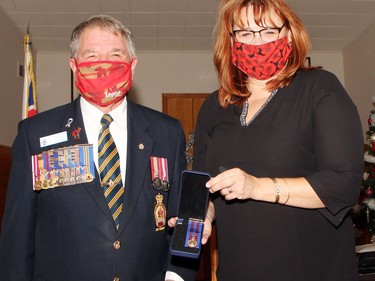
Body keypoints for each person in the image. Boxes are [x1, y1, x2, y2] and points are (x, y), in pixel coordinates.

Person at [0, 15, 197, 281]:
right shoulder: (35, 134)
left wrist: (177, 276)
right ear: (74, 65)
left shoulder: (167, 132)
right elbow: (17, 235)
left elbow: (181, 219)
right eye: (91, 56)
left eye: (115, 55)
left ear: (132, 65)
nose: (103, 66)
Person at [192, 0, 364, 280]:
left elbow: (344, 183)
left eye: (269, 31)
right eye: (245, 33)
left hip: (313, 268)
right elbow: (203, 186)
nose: (257, 42)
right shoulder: (214, 107)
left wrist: (257, 187)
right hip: (238, 268)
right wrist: (203, 217)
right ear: (231, 40)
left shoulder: (319, 88)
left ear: (289, 33)